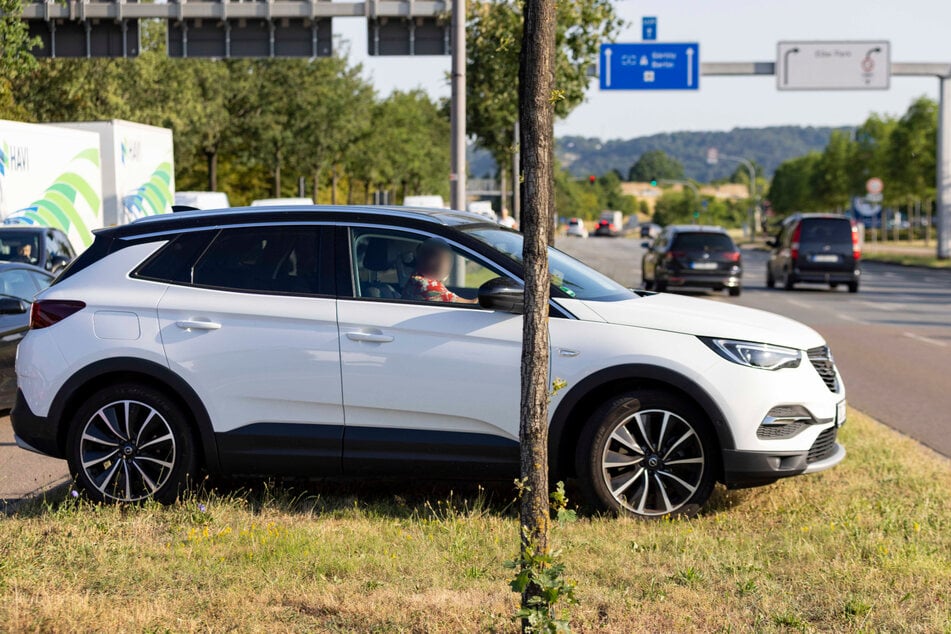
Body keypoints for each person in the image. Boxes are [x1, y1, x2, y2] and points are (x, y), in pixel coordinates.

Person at [402, 238, 478, 304]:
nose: (445, 263)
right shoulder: (428, 286)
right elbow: (472, 303)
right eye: (444, 258)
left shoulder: (416, 277)